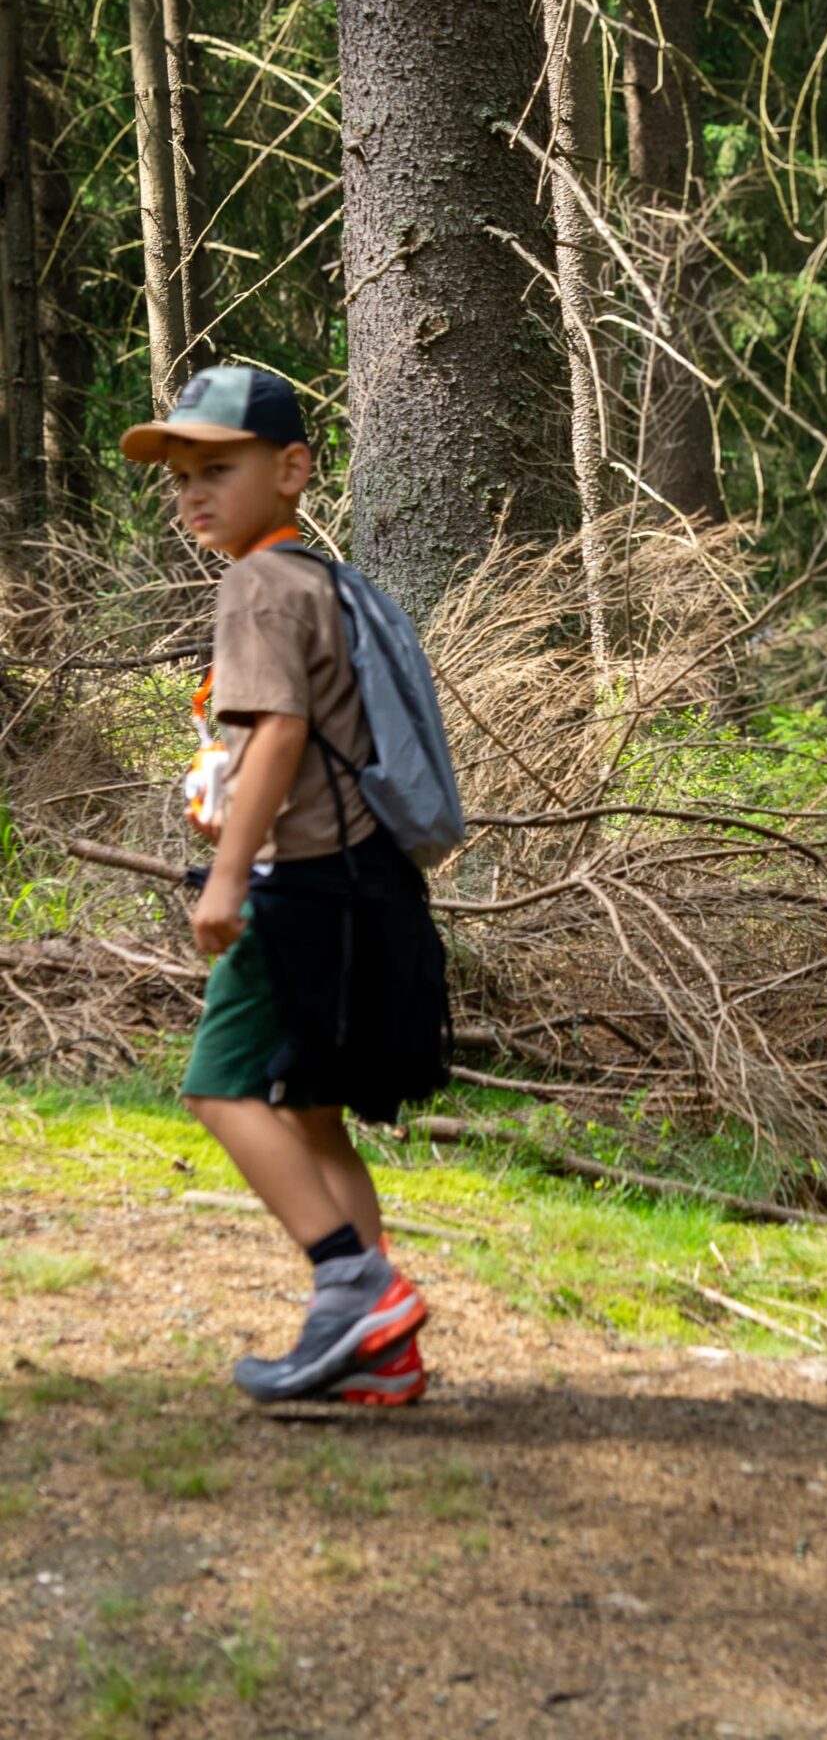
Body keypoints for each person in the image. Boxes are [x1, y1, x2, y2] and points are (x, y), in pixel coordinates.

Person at [121, 365, 448, 1407]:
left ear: (293, 469)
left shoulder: (258, 584)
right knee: (309, 1111)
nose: (194, 493)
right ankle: (381, 1350)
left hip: (300, 887)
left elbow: (279, 733)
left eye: (219, 468)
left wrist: (226, 880)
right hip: (361, 882)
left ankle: (356, 1286)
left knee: (219, 1087)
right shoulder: (317, 580)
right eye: (182, 477)